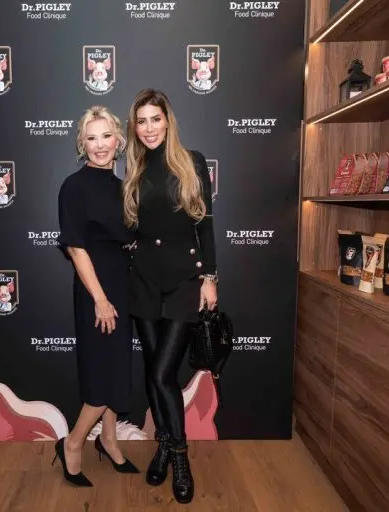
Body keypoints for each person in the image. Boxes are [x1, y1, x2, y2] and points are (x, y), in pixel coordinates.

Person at [122, 89, 218, 504]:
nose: (149, 129)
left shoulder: (192, 162)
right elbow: (130, 228)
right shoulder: (134, 169)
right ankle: (162, 443)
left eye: (155, 119)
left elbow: (206, 225)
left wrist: (209, 277)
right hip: (144, 281)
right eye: (141, 121)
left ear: (168, 120)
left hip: (184, 281)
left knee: (163, 373)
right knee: (152, 370)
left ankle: (179, 456)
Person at [53, 105, 140, 487]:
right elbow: (76, 248)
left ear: (119, 140)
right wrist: (101, 300)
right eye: (91, 138)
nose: (100, 145)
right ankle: (73, 443)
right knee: (103, 378)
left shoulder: (123, 187)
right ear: (82, 144)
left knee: (116, 370)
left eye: (106, 136)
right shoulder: (74, 186)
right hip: (95, 289)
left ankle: (109, 438)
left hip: (123, 284)